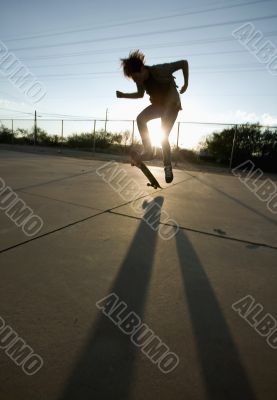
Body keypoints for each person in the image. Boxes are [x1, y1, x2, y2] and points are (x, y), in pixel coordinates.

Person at [116, 50, 189, 183]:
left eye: (137, 77)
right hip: (158, 106)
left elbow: (184, 63)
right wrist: (123, 95)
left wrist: (186, 83)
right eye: (134, 79)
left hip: (172, 106)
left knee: (163, 136)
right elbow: (140, 94)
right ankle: (148, 151)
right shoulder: (139, 80)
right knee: (140, 119)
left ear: (142, 69)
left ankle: (167, 166)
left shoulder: (161, 69)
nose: (136, 80)